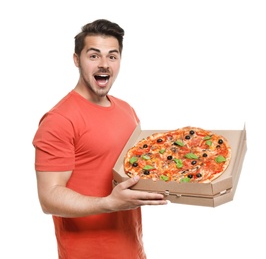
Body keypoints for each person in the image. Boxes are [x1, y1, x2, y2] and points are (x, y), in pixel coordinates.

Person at [32, 19, 167, 259]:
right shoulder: (59, 120)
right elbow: (49, 197)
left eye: (112, 56)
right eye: (94, 56)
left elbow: (137, 171)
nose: (104, 65)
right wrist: (109, 203)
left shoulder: (127, 110)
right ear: (76, 60)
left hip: (133, 249)